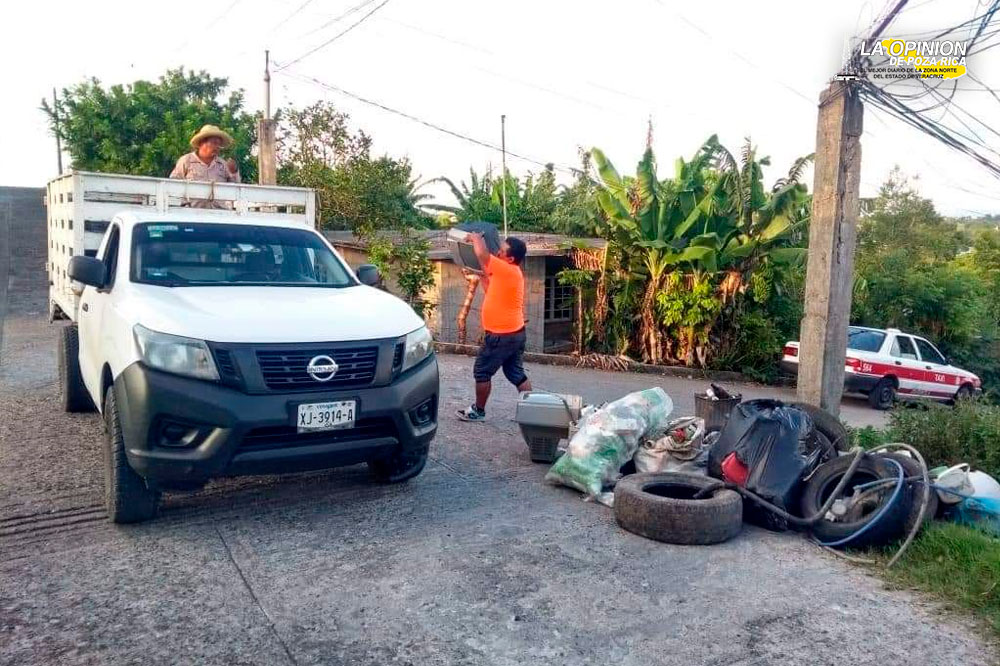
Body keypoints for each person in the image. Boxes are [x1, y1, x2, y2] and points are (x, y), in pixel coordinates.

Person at [457, 233, 532, 422]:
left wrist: (475, 238)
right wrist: (481, 276)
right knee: (515, 373)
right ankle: (533, 411)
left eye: (502, 251)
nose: (498, 252)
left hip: (501, 336)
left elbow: (482, 255)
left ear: (511, 258)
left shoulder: (508, 269)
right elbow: (491, 288)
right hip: (515, 333)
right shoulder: (509, 274)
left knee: (482, 372)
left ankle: (478, 411)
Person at [169, 125, 240, 208]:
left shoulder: (223, 164)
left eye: (219, 144)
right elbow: (173, 184)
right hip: (191, 213)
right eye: (214, 143)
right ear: (201, 143)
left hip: (219, 213)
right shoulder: (186, 161)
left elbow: (235, 188)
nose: (217, 147)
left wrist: (234, 172)